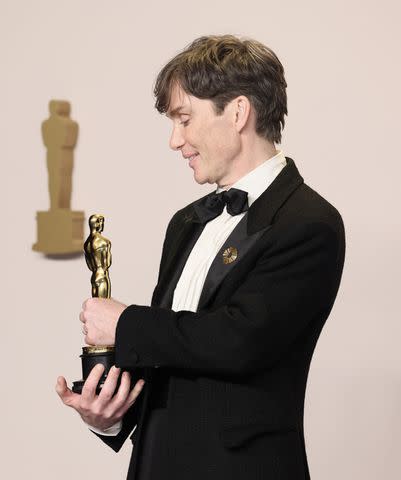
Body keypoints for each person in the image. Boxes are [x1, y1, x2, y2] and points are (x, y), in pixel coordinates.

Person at [56, 34, 346, 480]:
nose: (175, 140)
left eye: (184, 119)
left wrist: (125, 322)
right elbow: (174, 362)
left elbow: (241, 340)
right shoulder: (187, 222)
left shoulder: (309, 222)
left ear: (237, 112)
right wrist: (110, 415)